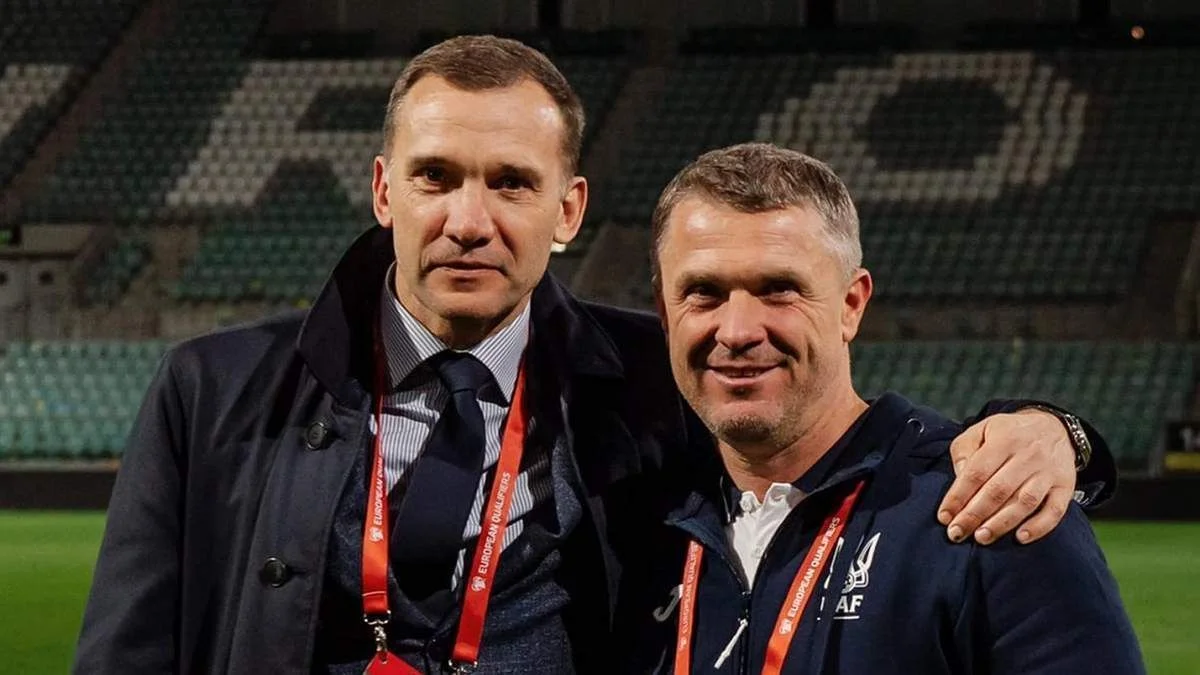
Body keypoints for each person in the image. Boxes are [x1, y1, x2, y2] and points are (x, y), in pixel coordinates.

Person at [74, 37, 1115, 675]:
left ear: (567, 210)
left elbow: (828, 425)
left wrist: (1056, 435)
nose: (469, 220)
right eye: (436, 177)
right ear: (386, 191)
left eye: (511, 183)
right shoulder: (214, 391)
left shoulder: (656, 376)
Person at [618, 143, 1144, 674]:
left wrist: (1057, 431)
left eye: (779, 290)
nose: (737, 331)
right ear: (665, 313)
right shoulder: (636, 527)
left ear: (851, 305)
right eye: (704, 292)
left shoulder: (989, 502)